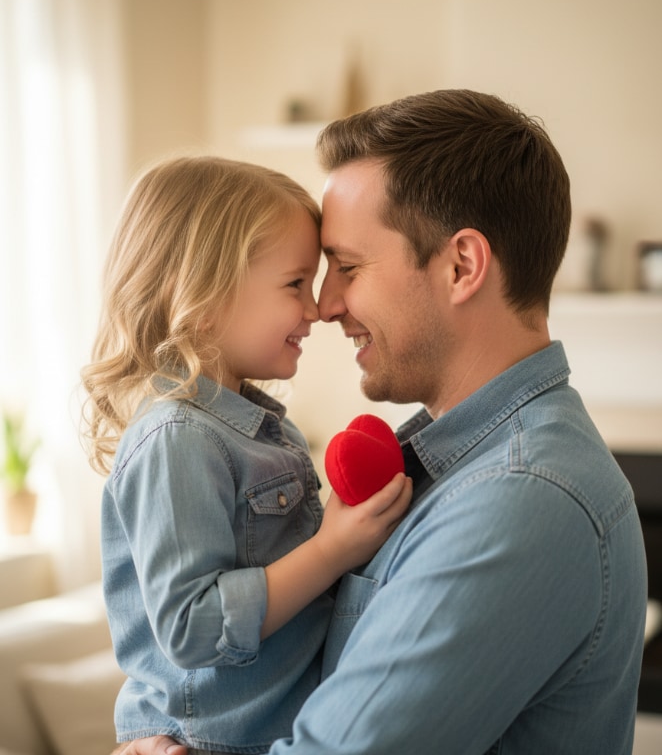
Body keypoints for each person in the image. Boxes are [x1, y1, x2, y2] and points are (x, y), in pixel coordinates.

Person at [112, 90, 648, 755]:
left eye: (347, 267)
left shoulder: (521, 500)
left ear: (461, 266)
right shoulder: (456, 465)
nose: (326, 305)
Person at [80, 156, 411, 754]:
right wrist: (333, 548)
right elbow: (193, 626)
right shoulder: (177, 439)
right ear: (204, 296)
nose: (315, 309)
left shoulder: (253, 431)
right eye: (295, 284)